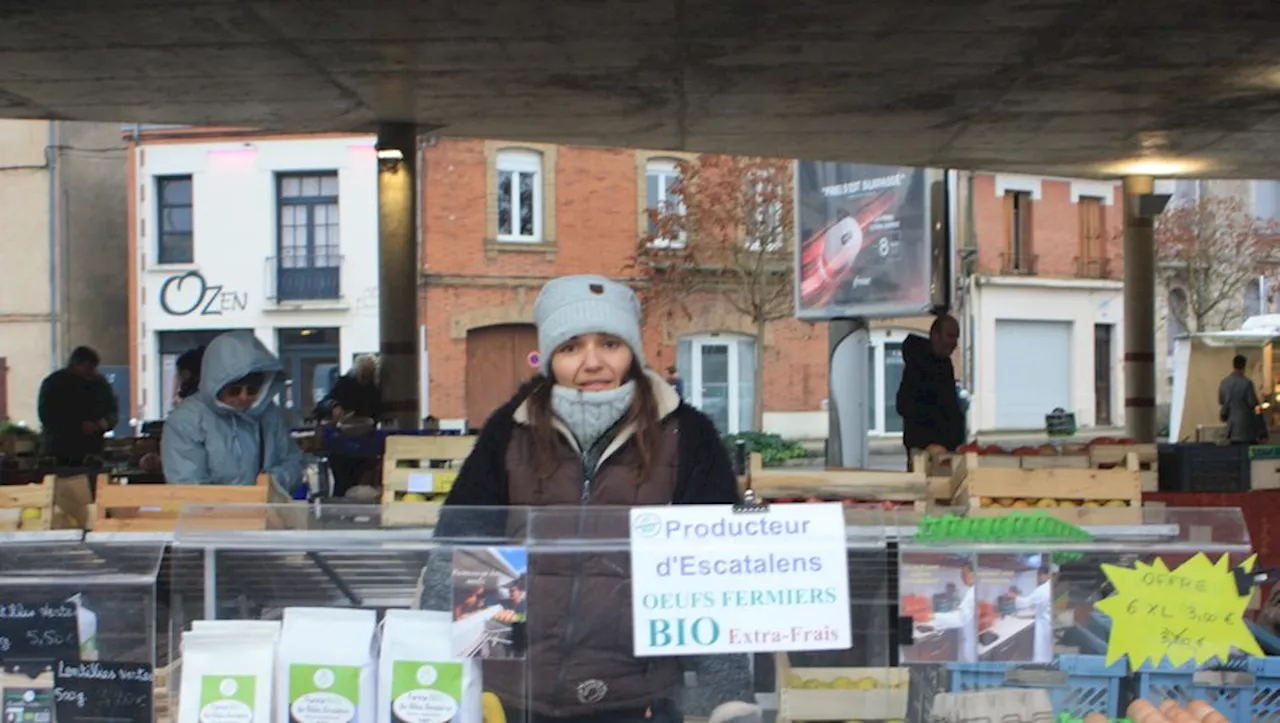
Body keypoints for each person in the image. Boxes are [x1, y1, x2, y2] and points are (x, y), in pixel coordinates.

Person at [422, 274, 750, 723]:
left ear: (632, 352)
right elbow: (462, 550)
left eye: (610, 344)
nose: (592, 362)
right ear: (551, 358)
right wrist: (446, 676)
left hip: (638, 699)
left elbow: (717, 572)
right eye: (572, 347)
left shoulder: (687, 435)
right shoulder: (510, 430)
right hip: (514, 697)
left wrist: (726, 697)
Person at [162, 331, 303, 493]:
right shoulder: (186, 420)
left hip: (263, 514)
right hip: (212, 517)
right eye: (234, 391)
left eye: (252, 390)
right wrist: (247, 497)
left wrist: (271, 483)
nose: (244, 397)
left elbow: (293, 462)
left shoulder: (269, 413)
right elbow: (189, 488)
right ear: (214, 386)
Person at [896, 314, 964, 468]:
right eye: (950, 336)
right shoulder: (918, 365)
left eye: (956, 337)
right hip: (927, 452)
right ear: (935, 335)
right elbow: (905, 404)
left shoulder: (945, 364)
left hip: (945, 451)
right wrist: (929, 441)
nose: (954, 343)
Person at [37, 346, 118, 466]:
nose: (92, 372)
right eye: (88, 367)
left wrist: (106, 423)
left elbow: (113, 410)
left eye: (94, 367)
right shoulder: (54, 384)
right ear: (76, 365)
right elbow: (47, 415)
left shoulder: (100, 384)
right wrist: (76, 427)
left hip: (92, 449)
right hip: (60, 449)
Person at [925, 562, 976, 663]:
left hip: (970, 646)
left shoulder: (972, 592)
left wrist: (933, 616)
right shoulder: (970, 590)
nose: (962, 577)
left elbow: (960, 618)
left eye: (964, 573)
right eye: (961, 574)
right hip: (968, 640)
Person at [318, 355, 384, 422]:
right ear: (357, 372)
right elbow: (322, 404)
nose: (366, 380)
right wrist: (334, 405)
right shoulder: (344, 385)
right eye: (363, 376)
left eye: (369, 376)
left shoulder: (373, 391)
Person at [1014, 566, 1054, 663]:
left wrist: (1014, 597)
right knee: (1048, 652)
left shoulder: (1042, 590)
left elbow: (1025, 603)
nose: (1038, 579)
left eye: (1038, 576)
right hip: (1050, 623)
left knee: (1042, 652)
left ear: (1044, 575)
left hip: (1045, 626)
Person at [1220, 354, 1262, 445]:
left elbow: (1221, 401)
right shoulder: (1247, 383)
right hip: (1246, 428)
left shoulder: (1224, 383)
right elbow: (1252, 403)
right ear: (1244, 366)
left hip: (1230, 427)